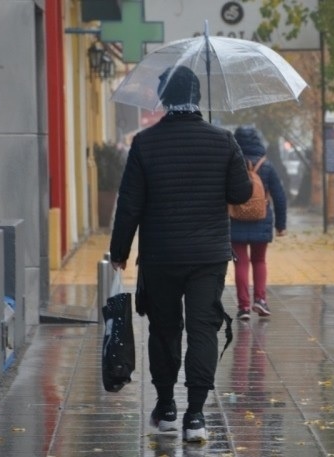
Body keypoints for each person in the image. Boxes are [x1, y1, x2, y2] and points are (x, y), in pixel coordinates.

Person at [109, 65, 252, 443]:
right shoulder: (223, 141)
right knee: (203, 329)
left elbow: (129, 205)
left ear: (165, 99)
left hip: (160, 256)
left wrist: (119, 251)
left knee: (165, 329)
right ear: (198, 97)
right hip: (208, 256)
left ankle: (167, 407)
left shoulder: (145, 143)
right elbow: (240, 194)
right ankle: (196, 416)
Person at [230, 125, 287, 320]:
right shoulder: (267, 166)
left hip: (235, 218)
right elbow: (279, 196)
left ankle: (244, 306)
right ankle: (260, 300)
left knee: (241, 263)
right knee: (259, 260)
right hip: (261, 219)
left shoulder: (231, 164)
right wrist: (281, 224)